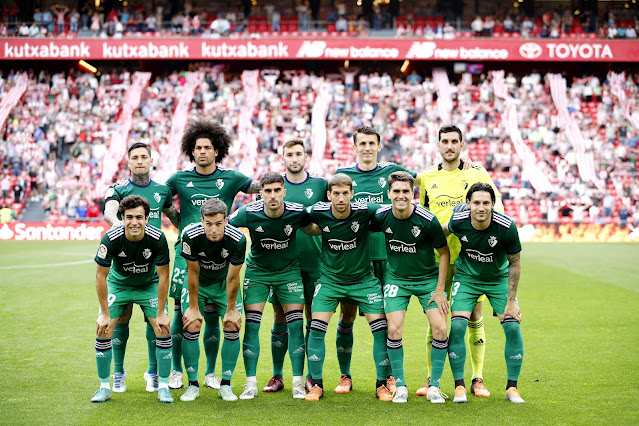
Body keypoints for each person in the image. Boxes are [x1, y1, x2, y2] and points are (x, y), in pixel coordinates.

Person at [165, 119, 260, 391]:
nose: (203, 152)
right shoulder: (178, 179)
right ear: (191, 151)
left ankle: (209, 373)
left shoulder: (230, 177)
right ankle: (175, 371)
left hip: (221, 253)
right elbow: (160, 199)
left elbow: (258, 187)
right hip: (188, 254)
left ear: (217, 150)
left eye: (208, 147)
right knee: (182, 312)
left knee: (215, 312)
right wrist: (178, 221)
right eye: (198, 148)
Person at [331, 125, 419, 394]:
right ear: (355, 147)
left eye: (372, 143)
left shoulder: (391, 173)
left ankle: (387, 377)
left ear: (379, 146)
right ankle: (345, 375)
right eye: (362, 143)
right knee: (346, 316)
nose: (367, 147)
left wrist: (465, 164)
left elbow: (425, 180)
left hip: (388, 257)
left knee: (385, 319)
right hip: (354, 258)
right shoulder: (343, 177)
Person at [418, 124, 503, 398]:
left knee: (474, 316)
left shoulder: (477, 173)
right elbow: (419, 214)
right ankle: (432, 377)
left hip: (470, 258)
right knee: (437, 319)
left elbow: (497, 207)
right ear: (438, 145)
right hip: (436, 258)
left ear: (462, 145)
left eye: (455, 141)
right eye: (445, 141)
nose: (450, 146)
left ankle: (477, 378)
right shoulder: (427, 177)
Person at [229, 172, 318, 400]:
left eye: (277, 190)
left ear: (284, 192)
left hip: (289, 273)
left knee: (297, 326)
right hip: (258, 273)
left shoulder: (297, 211)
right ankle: (250, 383)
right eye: (267, 191)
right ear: (261, 194)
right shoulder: (248, 212)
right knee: (252, 326)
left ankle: (298, 382)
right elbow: (224, 227)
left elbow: (315, 229)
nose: (273, 195)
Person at [305, 174, 392, 402]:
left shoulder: (365, 210)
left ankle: (382, 384)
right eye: (336, 193)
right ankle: (317, 384)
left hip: (364, 281)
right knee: (316, 328)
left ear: (352, 194)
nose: (341, 198)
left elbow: (391, 211)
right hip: (330, 281)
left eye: (345, 193)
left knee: (381, 330)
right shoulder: (318, 211)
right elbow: (294, 215)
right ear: (329, 195)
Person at [103, 142, 180, 394]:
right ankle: (119, 373)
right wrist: (123, 229)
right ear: (128, 162)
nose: (139, 161)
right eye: (134, 157)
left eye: (143, 157)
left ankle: (153, 372)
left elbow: (176, 217)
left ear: (150, 160)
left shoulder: (162, 190)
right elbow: (109, 211)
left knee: (155, 323)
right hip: (124, 267)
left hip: (152, 270)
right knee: (120, 319)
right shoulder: (119, 188)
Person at [370, 171, 450, 403]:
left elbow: (444, 253)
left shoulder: (427, 220)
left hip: (427, 281)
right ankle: (401, 385)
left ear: (412, 193)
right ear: (389, 193)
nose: (401, 195)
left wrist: (439, 289)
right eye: (396, 191)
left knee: (441, 329)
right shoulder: (381, 216)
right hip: (396, 280)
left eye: (406, 191)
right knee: (393, 329)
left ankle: (434, 386)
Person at [442, 183, 524, 404]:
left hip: (497, 279)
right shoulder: (458, 221)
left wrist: (511, 301)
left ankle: (512, 388)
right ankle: (459, 386)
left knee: (513, 327)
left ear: (492, 205)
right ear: (468, 204)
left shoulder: (506, 227)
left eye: (486, 203)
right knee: (458, 326)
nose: (481, 207)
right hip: (467, 277)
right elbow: (443, 231)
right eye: (476, 203)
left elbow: (515, 263)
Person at [91, 195, 174, 403]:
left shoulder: (157, 237)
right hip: (119, 284)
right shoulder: (111, 238)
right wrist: (105, 313)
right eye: (129, 217)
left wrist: (162, 312)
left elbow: (164, 275)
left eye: (139, 217)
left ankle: (163, 386)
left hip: (149, 285)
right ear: (122, 217)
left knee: (163, 327)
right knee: (103, 328)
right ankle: (105, 386)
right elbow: (100, 275)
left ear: (147, 218)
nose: (134, 222)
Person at [265, 138, 328, 393]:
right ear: (283, 158)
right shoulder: (275, 186)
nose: (294, 158)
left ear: (305, 157)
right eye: (289, 154)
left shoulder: (321, 185)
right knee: (281, 317)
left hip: (315, 264)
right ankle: (278, 375)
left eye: (298, 154)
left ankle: (313, 376)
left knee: (314, 317)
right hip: (282, 266)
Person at [179, 199, 246, 402]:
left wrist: (232, 309)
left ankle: (225, 385)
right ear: (202, 221)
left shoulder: (238, 239)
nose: (214, 229)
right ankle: (192, 385)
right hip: (198, 284)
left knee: (232, 325)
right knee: (192, 325)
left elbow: (233, 277)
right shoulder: (190, 235)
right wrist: (192, 307)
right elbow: (192, 272)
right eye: (208, 224)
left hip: (223, 285)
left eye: (218, 223)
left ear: (226, 220)